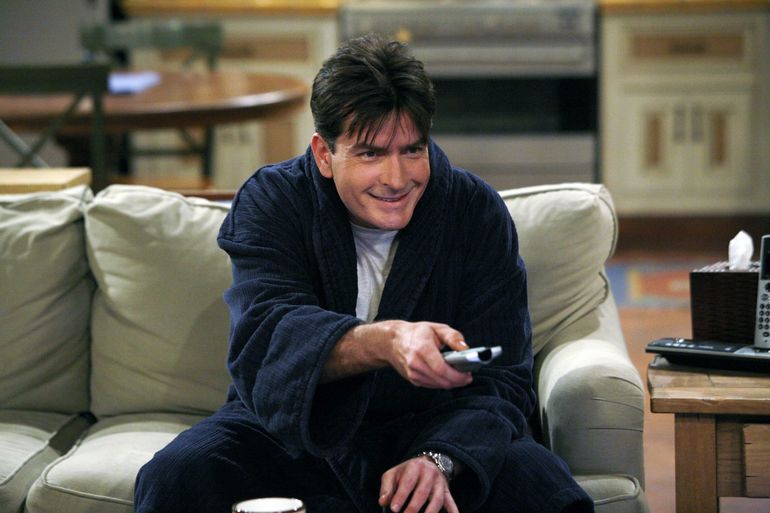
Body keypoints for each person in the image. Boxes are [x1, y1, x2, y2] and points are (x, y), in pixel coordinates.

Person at [134, 34, 594, 513]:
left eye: (412, 150)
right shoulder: (272, 201)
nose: (397, 179)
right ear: (323, 154)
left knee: (543, 488)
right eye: (371, 154)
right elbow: (267, 339)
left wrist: (441, 459)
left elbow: (503, 378)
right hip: (298, 432)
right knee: (178, 475)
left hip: (434, 428)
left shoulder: (474, 210)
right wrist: (386, 341)